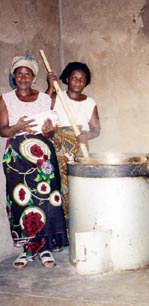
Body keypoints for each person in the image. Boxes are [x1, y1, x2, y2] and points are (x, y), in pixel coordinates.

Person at [0, 55, 69, 269]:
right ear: (14, 76)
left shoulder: (44, 99)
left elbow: (50, 129)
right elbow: (2, 130)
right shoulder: (5, 99)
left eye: (27, 73)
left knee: (47, 199)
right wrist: (17, 127)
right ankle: (27, 251)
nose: (23, 77)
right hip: (16, 158)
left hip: (42, 156)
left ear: (33, 77)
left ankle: (45, 248)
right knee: (22, 201)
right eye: (19, 73)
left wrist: (50, 131)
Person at [46, 62, 100, 216]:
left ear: (86, 82)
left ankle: (76, 224)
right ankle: (60, 229)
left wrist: (87, 135)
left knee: (78, 187)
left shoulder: (90, 103)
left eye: (82, 79)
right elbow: (42, 108)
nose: (78, 81)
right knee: (57, 187)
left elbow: (96, 129)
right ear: (67, 79)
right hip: (57, 148)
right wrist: (50, 86)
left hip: (79, 149)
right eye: (74, 78)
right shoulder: (57, 96)